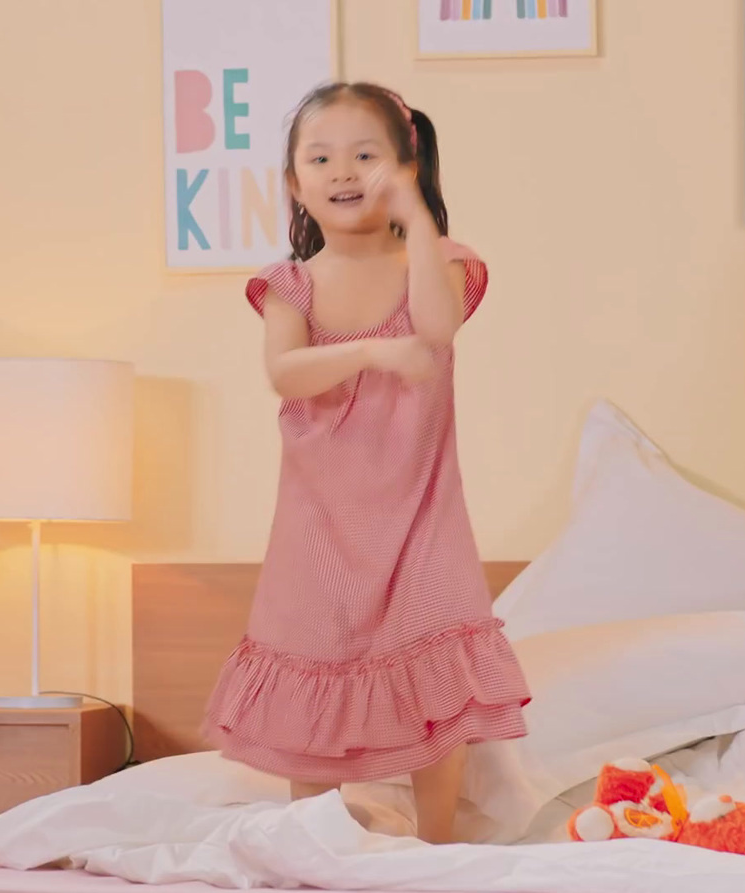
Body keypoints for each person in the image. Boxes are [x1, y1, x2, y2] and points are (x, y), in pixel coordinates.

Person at [202, 82, 530, 845]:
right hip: (320, 516)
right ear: (294, 182)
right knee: (311, 660)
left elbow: (439, 330)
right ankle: (310, 838)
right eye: (320, 157)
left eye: (364, 154)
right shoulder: (292, 283)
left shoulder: (442, 261)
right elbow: (284, 371)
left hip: (421, 507)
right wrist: (377, 351)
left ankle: (438, 843)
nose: (342, 171)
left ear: (406, 164)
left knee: (436, 663)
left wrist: (415, 217)